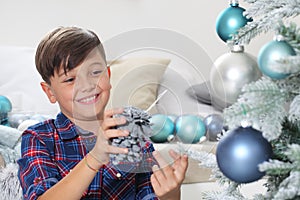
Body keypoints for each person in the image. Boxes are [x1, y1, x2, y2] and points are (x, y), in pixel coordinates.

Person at [17, 26, 188, 200]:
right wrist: (94, 158)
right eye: (70, 79)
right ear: (49, 92)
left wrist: (170, 194)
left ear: (107, 74)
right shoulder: (39, 138)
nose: (87, 85)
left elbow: (149, 195)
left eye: (95, 72)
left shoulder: (132, 136)